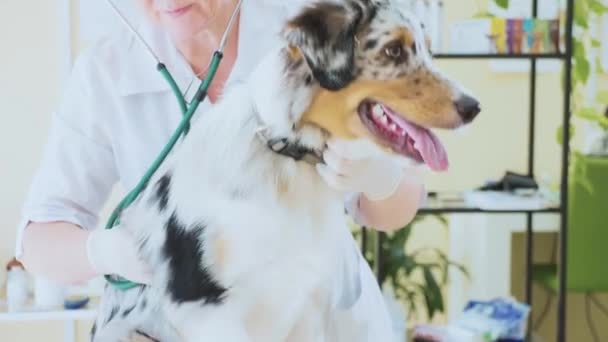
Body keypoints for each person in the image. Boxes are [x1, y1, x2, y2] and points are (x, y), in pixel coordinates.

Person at [17, 0, 425, 324]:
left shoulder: (315, 36)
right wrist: (106, 252)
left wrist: (380, 178)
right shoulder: (105, 72)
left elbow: (397, 209)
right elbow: (36, 242)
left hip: (321, 318)